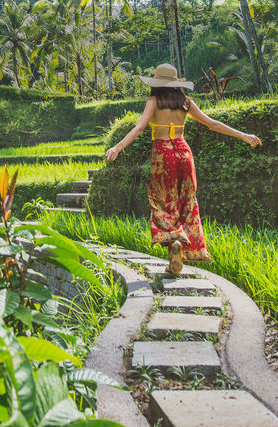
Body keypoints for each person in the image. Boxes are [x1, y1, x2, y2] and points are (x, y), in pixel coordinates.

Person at [104, 63, 261, 274]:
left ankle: (174, 241)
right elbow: (212, 123)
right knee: (185, 201)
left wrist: (118, 146)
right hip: (184, 153)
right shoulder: (186, 102)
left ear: (156, 83)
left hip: (163, 154)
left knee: (163, 201)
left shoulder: (154, 101)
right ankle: (176, 256)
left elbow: (140, 127)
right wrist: (244, 135)